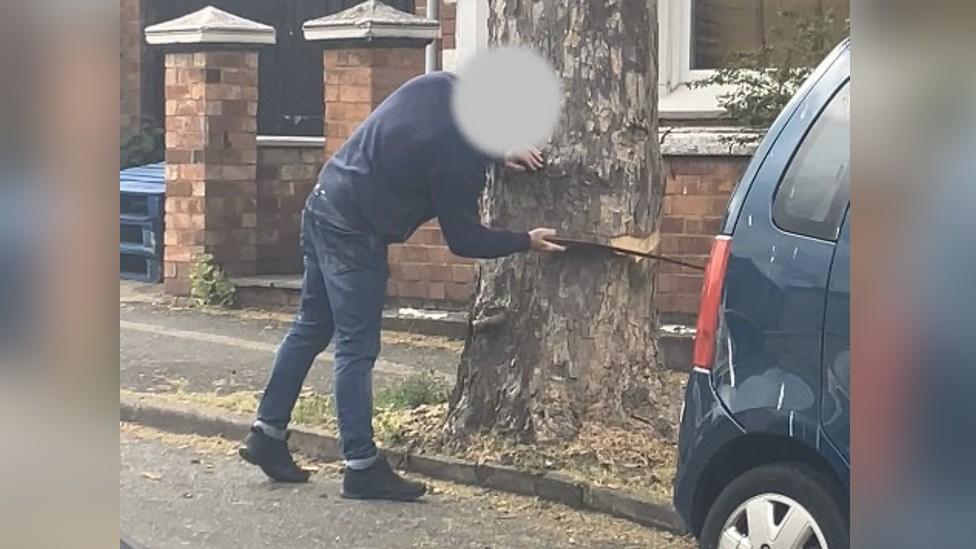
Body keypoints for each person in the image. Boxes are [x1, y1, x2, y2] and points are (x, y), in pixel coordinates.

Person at [238, 71, 564, 501]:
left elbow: (445, 136)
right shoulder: (456, 159)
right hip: (356, 232)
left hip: (323, 200)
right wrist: (525, 241)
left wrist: (498, 152)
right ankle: (361, 466)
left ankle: (267, 433)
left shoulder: (440, 85)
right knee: (356, 348)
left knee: (311, 327)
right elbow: (464, 239)